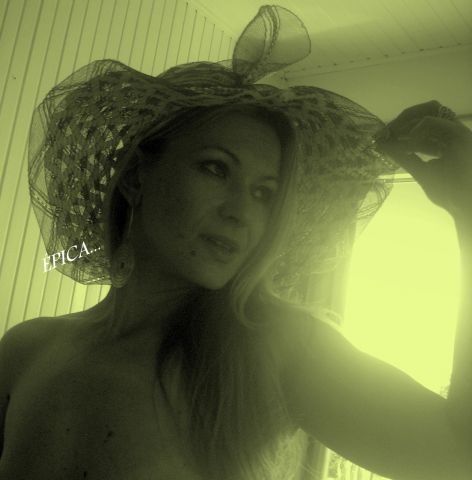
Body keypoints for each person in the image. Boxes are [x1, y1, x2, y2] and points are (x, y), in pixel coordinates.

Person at [1, 5, 471, 480]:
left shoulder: (278, 351)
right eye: (216, 168)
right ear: (138, 176)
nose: (241, 212)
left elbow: (458, 456)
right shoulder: (25, 350)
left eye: (265, 194)